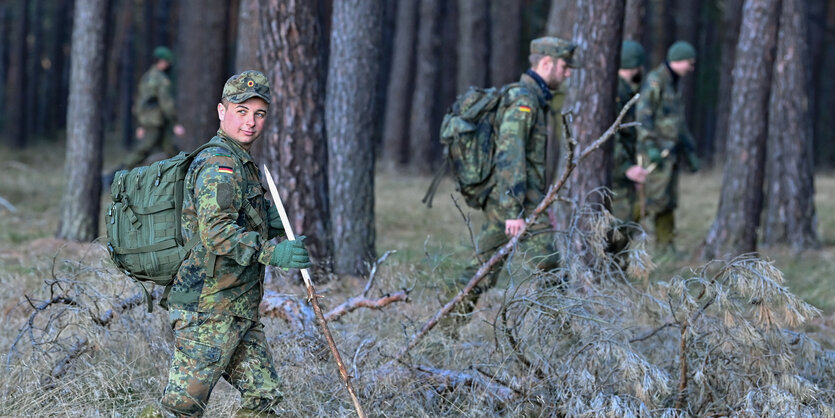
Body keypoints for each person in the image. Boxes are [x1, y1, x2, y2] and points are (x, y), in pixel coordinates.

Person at [142, 70, 312, 417]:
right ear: (222, 111)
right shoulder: (219, 163)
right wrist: (272, 252)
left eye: (259, 114)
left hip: (236, 308)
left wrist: (271, 223)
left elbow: (240, 218)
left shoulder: (241, 162)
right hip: (208, 309)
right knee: (181, 410)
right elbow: (216, 232)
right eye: (241, 111)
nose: (250, 122)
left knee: (263, 398)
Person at [454, 36, 576, 321]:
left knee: (485, 268)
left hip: (524, 204)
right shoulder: (523, 100)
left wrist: (542, 206)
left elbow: (530, 164)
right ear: (546, 63)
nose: (568, 72)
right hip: (514, 206)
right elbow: (510, 155)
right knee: (546, 267)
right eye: (564, 65)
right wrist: (513, 210)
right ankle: (563, 342)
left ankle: (444, 325)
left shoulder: (535, 99)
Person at [635, 40, 701, 255]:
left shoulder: (674, 83)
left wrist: (689, 150)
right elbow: (643, 115)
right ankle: (619, 241)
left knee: (668, 200)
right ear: (679, 60)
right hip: (655, 153)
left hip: (670, 153)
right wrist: (649, 145)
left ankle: (665, 246)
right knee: (649, 200)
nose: (691, 68)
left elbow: (678, 121)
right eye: (689, 63)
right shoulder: (656, 81)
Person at [120, 46, 186, 170]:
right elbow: (166, 102)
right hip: (155, 120)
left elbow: (139, 102)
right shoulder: (160, 79)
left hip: (150, 119)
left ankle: (181, 172)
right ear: (162, 62)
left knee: (170, 148)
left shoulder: (147, 77)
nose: (169, 65)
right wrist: (175, 122)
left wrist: (140, 123)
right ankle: (121, 172)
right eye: (167, 62)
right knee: (144, 149)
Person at [611, 40, 649, 223]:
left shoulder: (624, 90)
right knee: (618, 231)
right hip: (615, 177)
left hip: (618, 174)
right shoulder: (617, 92)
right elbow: (610, 134)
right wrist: (625, 167)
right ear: (636, 66)